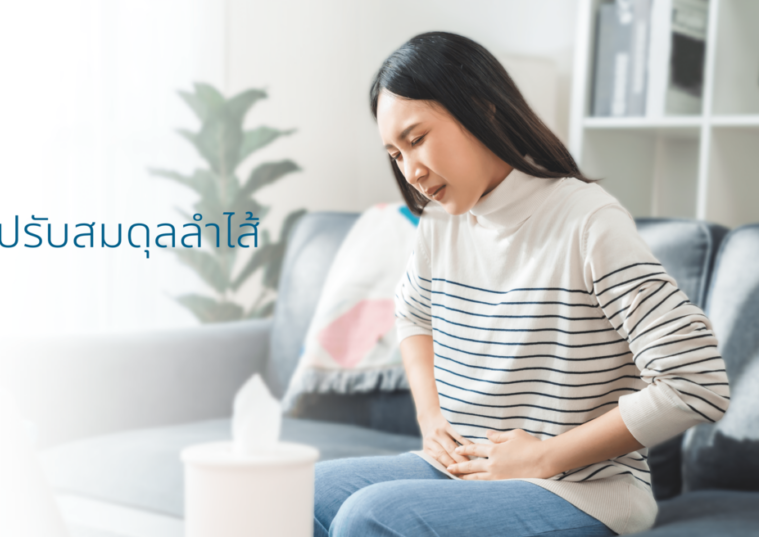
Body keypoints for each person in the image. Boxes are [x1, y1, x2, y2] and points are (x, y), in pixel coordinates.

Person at [312, 31, 732, 537]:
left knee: (369, 516)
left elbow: (697, 382)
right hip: (467, 468)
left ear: (482, 108)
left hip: (581, 489)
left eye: (417, 139)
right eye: (396, 154)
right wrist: (432, 420)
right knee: (294, 493)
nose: (412, 172)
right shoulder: (440, 224)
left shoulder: (589, 222)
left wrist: (542, 457)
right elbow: (413, 314)